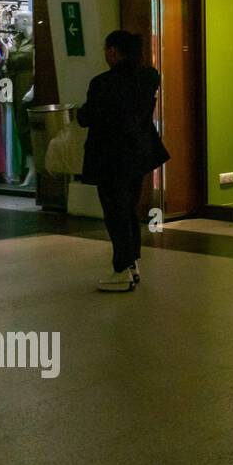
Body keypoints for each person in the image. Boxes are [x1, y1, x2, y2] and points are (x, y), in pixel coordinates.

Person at [78, 30, 170, 292]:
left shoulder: (102, 83)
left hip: (109, 156)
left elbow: (87, 117)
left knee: (114, 213)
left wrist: (80, 113)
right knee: (128, 208)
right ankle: (132, 263)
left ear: (113, 51)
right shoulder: (149, 77)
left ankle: (121, 269)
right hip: (138, 153)